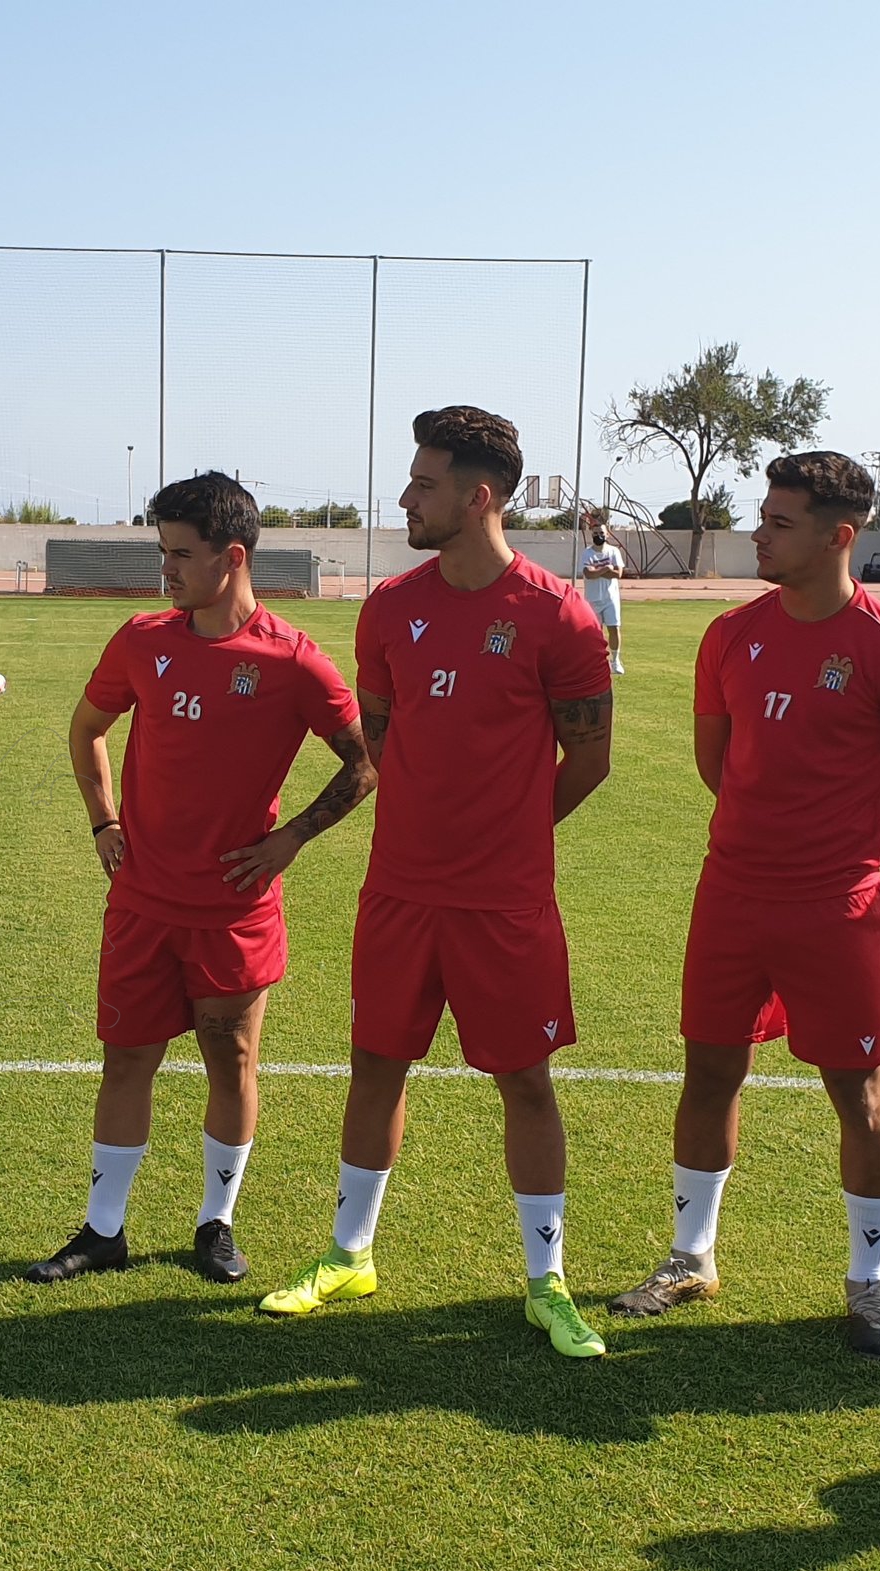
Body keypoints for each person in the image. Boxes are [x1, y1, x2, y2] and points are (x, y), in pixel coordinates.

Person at [259, 406, 615, 1358]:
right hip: (400, 893)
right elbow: (378, 737)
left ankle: (547, 1280)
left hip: (505, 903)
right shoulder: (388, 609)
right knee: (376, 1064)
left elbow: (589, 759)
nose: (407, 498)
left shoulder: (559, 615)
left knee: (525, 1082)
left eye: (423, 484)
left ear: (478, 496)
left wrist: (508, 833)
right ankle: (348, 1252)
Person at [610, 452, 880, 1356]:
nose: (758, 531)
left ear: (839, 536)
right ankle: (690, 1256)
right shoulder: (730, 635)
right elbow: (718, 766)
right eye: (762, 515)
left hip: (836, 910)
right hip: (731, 896)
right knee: (709, 1073)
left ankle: (868, 1281)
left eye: (780, 521)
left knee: (860, 1089)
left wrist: (844, 861)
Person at [28, 473, 374, 1287]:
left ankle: (215, 1223)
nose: (166, 571)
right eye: (162, 553)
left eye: (181, 555)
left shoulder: (293, 660)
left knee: (233, 1060)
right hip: (143, 901)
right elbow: (87, 729)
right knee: (126, 1060)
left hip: (234, 911)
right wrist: (103, 820)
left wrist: (291, 838)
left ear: (234, 557)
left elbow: (364, 763)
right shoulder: (142, 639)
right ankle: (102, 1229)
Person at [580, 516, 626, 676]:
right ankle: (596, 661)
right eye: (595, 533)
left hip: (610, 598)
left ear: (607, 534)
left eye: (601, 532)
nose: (598, 535)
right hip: (593, 599)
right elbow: (588, 574)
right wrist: (606, 568)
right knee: (594, 632)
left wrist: (599, 570)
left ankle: (615, 660)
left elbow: (618, 573)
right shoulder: (587, 553)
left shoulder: (614, 551)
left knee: (614, 628)